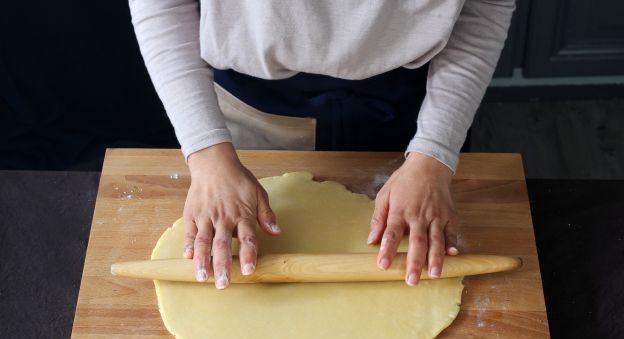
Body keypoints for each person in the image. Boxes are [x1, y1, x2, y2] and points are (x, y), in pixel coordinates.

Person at [129, 0, 514, 289]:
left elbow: (483, 6)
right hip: (251, 108)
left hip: (417, 105)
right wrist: (207, 155)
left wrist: (434, 154)